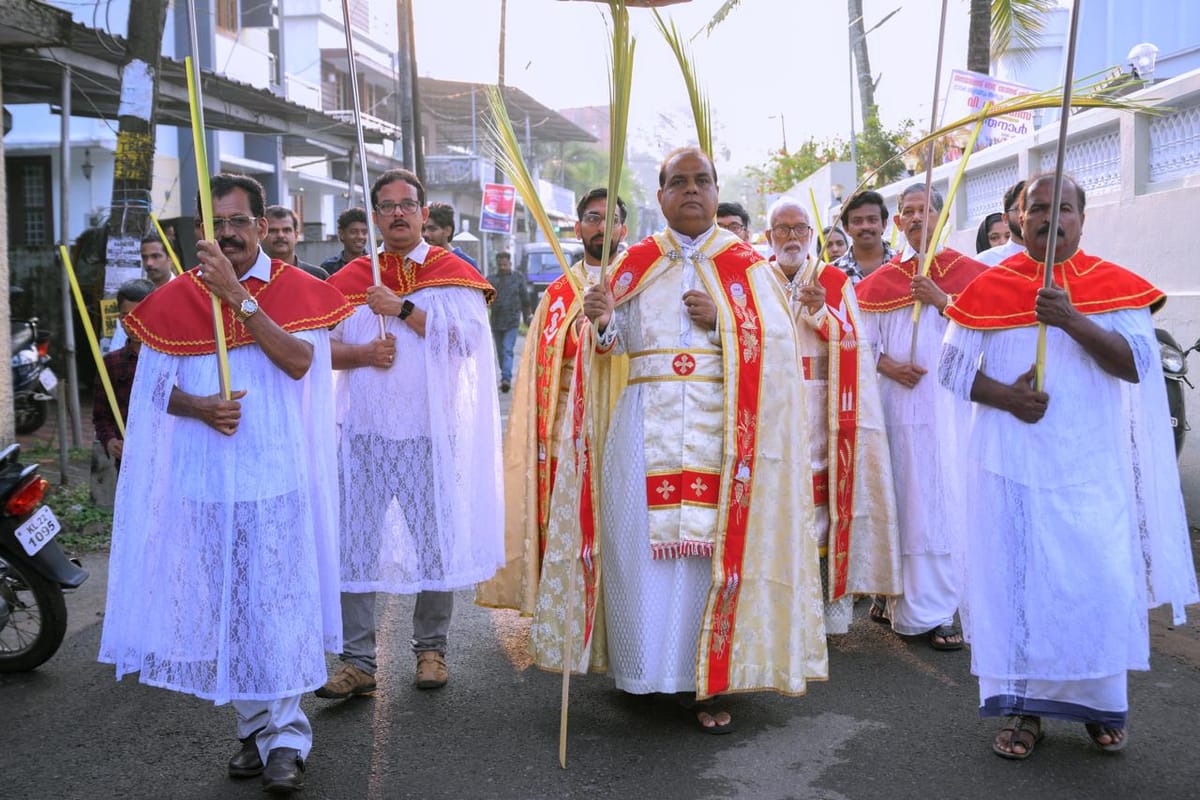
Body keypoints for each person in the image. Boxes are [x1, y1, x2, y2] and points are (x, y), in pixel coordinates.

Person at [530, 147, 827, 734]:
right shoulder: (634, 262)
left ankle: (704, 680)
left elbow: (781, 349)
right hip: (642, 425)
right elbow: (609, 347)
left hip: (727, 436)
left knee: (708, 556)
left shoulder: (748, 266)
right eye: (679, 182)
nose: (692, 190)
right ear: (660, 195)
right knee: (639, 551)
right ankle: (643, 673)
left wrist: (725, 323)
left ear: (716, 191)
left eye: (702, 181)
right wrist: (602, 319)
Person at [99, 173, 353, 795]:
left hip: (278, 478)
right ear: (199, 231)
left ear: (263, 226)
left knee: (279, 608)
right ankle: (252, 728)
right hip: (206, 483)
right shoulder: (174, 298)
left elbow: (300, 363)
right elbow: (152, 392)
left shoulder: (295, 288)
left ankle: (287, 739)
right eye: (215, 224)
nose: (228, 234)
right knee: (231, 610)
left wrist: (239, 298)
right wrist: (201, 407)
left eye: (239, 221)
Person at [939, 173, 1198, 759]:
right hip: (1009, 469)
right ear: (1018, 219)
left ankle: (1100, 707)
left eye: (1064, 208)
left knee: (1095, 585)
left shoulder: (1114, 285)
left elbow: (1137, 365)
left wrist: (1072, 319)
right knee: (1019, 590)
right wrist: (1007, 397)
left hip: (1090, 468)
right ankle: (1023, 709)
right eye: (1037, 208)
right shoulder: (989, 286)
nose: (1049, 218)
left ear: (1083, 218)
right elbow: (951, 368)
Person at [320, 168, 503, 699]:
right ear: (375, 217)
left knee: (434, 548)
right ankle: (358, 661)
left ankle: (431, 649)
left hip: (430, 436)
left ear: (424, 214)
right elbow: (315, 350)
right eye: (387, 205)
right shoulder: (352, 278)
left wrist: (401, 309)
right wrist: (362, 353)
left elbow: (468, 344)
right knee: (354, 547)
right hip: (365, 435)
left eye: (407, 205)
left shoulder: (453, 274)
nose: (398, 213)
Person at [476, 188, 627, 615]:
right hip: (566, 428)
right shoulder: (560, 290)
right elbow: (544, 356)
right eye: (593, 218)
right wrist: (577, 331)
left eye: (611, 220)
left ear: (623, 229)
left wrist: (604, 325)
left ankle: (617, 611)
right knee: (568, 518)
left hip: (622, 420)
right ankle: (568, 608)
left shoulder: (640, 280)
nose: (601, 228)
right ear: (577, 228)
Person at [854, 182, 986, 651]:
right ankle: (895, 595)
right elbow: (859, 343)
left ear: (940, 216)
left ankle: (943, 606)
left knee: (946, 499)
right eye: (907, 212)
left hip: (953, 410)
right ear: (897, 222)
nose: (914, 218)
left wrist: (941, 300)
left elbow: (989, 332)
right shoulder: (881, 282)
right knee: (904, 498)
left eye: (923, 210)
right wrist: (889, 366)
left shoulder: (970, 275)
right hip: (899, 406)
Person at [763, 197, 901, 635]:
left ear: (811, 235)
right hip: (772, 405)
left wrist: (821, 312)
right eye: (782, 229)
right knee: (777, 504)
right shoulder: (755, 278)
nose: (791, 237)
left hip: (822, 407)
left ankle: (824, 617)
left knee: (823, 508)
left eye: (799, 229)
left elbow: (854, 344)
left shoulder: (834, 279)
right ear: (768, 236)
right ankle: (779, 612)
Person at [93, 278, 155, 468]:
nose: (133, 323)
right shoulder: (111, 362)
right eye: (127, 316)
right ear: (119, 319)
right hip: (128, 459)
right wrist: (110, 441)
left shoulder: (171, 359)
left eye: (141, 315)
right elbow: (101, 416)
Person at [488, 251, 532, 393]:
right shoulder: (491, 280)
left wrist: (527, 317)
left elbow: (525, 299)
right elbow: (484, 300)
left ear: (510, 264)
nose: (502, 267)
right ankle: (504, 373)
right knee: (500, 352)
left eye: (505, 265)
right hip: (496, 322)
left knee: (507, 349)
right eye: (500, 265)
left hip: (512, 321)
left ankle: (506, 378)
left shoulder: (518, 278)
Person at [834, 190, 895, 283]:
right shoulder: (833, 272)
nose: (865, 226)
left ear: (884, 224)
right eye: (857, 221)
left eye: (872, 220)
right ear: (846, 228)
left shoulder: (905, 265)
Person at [264, 205, 330, 280]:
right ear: (261, 234)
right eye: (273, 230)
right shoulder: (253, 276)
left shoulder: (318, 276)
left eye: (287, 230)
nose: (280, 235)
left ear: (296, 236)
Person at [976, 180, 1026, 266]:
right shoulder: (984, 261)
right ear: (1006, 218)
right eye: (1020, 209)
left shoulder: (1050, 258)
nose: (1027, 214)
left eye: (1036, 209)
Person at [423, 201, 480, 272]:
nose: (425, 234)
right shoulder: (420, 262)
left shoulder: (467, 264)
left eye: (432, 229)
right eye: (423, 229)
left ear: (448, 231)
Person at [321, 207, 369, 275]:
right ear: (342, 234)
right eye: (353, 232)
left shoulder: (375, 266)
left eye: (364, 232)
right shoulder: (328, 268)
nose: (360, 236)